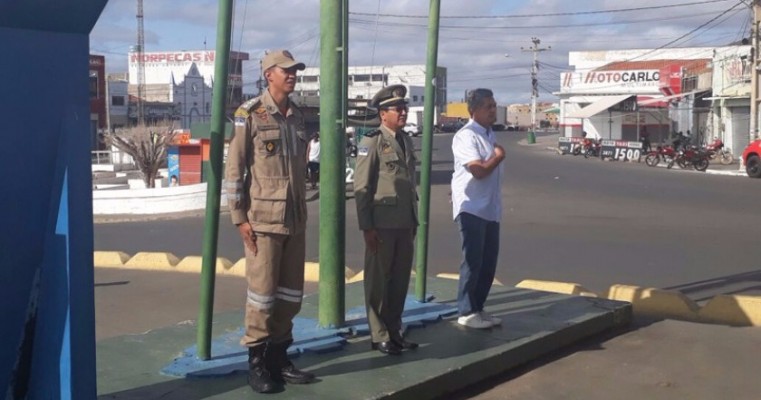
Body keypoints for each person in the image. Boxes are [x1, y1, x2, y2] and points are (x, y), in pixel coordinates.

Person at [224, 49, 315, 394]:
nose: (292, 75)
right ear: (269, 75)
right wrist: (238, 218)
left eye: (295, 70)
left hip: (294, 219)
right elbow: (235, 169)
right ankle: (258, 364)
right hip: (262, 220)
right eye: (286, 70)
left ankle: (280, 357)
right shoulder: (250, 115)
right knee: (262, 296)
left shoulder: (295, 116)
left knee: (291, 295)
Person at [354, 84, 419, 356]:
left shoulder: (405, 140)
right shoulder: (372, 141)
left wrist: (414, 220)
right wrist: (367, 226)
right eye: (397, 109)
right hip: (382, 224)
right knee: (378, 281)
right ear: (383, 114)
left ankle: (394, 330)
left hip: (404, 222)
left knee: (400, 280)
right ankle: (378, 333)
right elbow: (362, 187)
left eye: (404, 108)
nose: (403, 112)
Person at [451, 88, 505, 330]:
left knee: (488, 262)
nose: (493, 110)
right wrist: (498, 157)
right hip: (471, 207)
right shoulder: (467, 136)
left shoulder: (488, 133)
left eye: (494, 105)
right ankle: (466, 311)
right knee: (472, 261)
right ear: (474, 111)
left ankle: (478, 308)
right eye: (488, 106)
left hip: (490, 209)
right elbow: (478, 171)